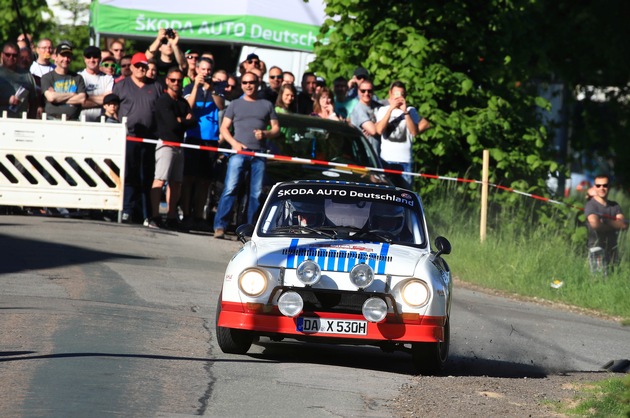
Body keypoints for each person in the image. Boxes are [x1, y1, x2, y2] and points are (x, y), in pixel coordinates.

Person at [213, 71, 280, 238]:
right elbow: (224, 128)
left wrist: (265, 134)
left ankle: (249, 229)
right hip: (238, 153)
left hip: (259, 154)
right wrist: (234, 144)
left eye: (251, 82)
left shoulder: (267, 104)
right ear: (241, 84)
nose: (248, 85)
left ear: (257, 84)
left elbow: (276, 129)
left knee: (256, 194)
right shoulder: (235, 104)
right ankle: (220, 226)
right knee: (230, 189)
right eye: (244, 82)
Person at [113, 52, 163, 223]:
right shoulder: (121, 85)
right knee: (129, 174)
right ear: (132, 67)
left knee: (147, 176)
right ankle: (126, 209)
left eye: (144, 66)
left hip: (149, 139)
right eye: (138, 66)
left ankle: (145, 213)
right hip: (128, 137)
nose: (142, 69)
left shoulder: (156, 86)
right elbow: (113, 107)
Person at [180, 57, 225, 230]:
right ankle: (186, 214)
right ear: (197, 70)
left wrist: (212, 90)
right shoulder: (189, 87)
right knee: (188, 178)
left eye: (208, 70)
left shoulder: (217, 87)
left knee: (204, 181)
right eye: (203, 69)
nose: (206, 73)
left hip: (211, 139)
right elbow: (187, 108)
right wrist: (197, 87)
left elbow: (221, 106)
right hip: (192, 136)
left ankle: (199, 216)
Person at [148, 67, 196, 229]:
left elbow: (193, 122)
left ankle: (171, 216)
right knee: (160, 179)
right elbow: (172, 124)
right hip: (166, 144)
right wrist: (183, 120)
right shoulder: (163, 100)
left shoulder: (182, 102)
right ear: (167, 81)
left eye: (179, 80)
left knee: (176, 183)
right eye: (173, 80)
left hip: (179, 145)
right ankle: (154, 216)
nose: (176, 83)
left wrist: (181, 120)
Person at [375, 80, 430, 188]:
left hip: (405, 160)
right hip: (386, 159)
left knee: (405, 193)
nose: (398, 98)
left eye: (401, 95)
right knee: (386, 192)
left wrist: (405, 112)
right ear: (390, 94)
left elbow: (414, 132)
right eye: (396, 94)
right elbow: (379, 130)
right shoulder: (383, 110)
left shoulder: (411, 110)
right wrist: (391, 109)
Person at [584, 175, 628, 273]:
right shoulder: (591, 205)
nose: (602, 188)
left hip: (613, 248)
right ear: (594, 187)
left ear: (609, 187)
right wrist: (614, 224)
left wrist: (607, 222)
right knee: (599, 279)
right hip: (596, 248)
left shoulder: (615, 205)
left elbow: (623, 225)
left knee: (614, 276)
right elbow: (595, 225)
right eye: (598, 185)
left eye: (605, 185)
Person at [40, 43, 86, 121]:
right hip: (52, 120)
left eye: (68, 56)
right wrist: (72, 94)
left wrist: (57, 98)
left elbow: (82, 99)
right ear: (55, 57)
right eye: (63, 56)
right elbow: (51, 97)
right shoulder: (47, 77)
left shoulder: (78, 78)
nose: (65, 59)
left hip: (72, 121)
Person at [0, 41, 38, 119]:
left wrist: (31, 120)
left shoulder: (27, 75)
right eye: (7, 55)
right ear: (2, 55)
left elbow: (34, 101)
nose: (11, 58)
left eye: (14, 55)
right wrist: (7, 100)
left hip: (20, 121)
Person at [79, 46, 114, 122]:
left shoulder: (108, 78)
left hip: (102, 122)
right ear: (84, 59)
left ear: (100, 58)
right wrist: (101, 101)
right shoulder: (78, 77)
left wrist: (86, 97)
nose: (92, 60)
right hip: (81, 122)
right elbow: (77, 102)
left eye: (95, 57)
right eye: (88, 57)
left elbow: (108, 101)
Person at [350, 79, 381, 152]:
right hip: (366, 154)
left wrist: (375, 125)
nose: (366, 93)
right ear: (358, 91)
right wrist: (379, 126)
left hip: (379, 153)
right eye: (363, 91)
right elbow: (373, 131)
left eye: (369, 91)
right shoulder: (358, 109)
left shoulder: (377, 106)